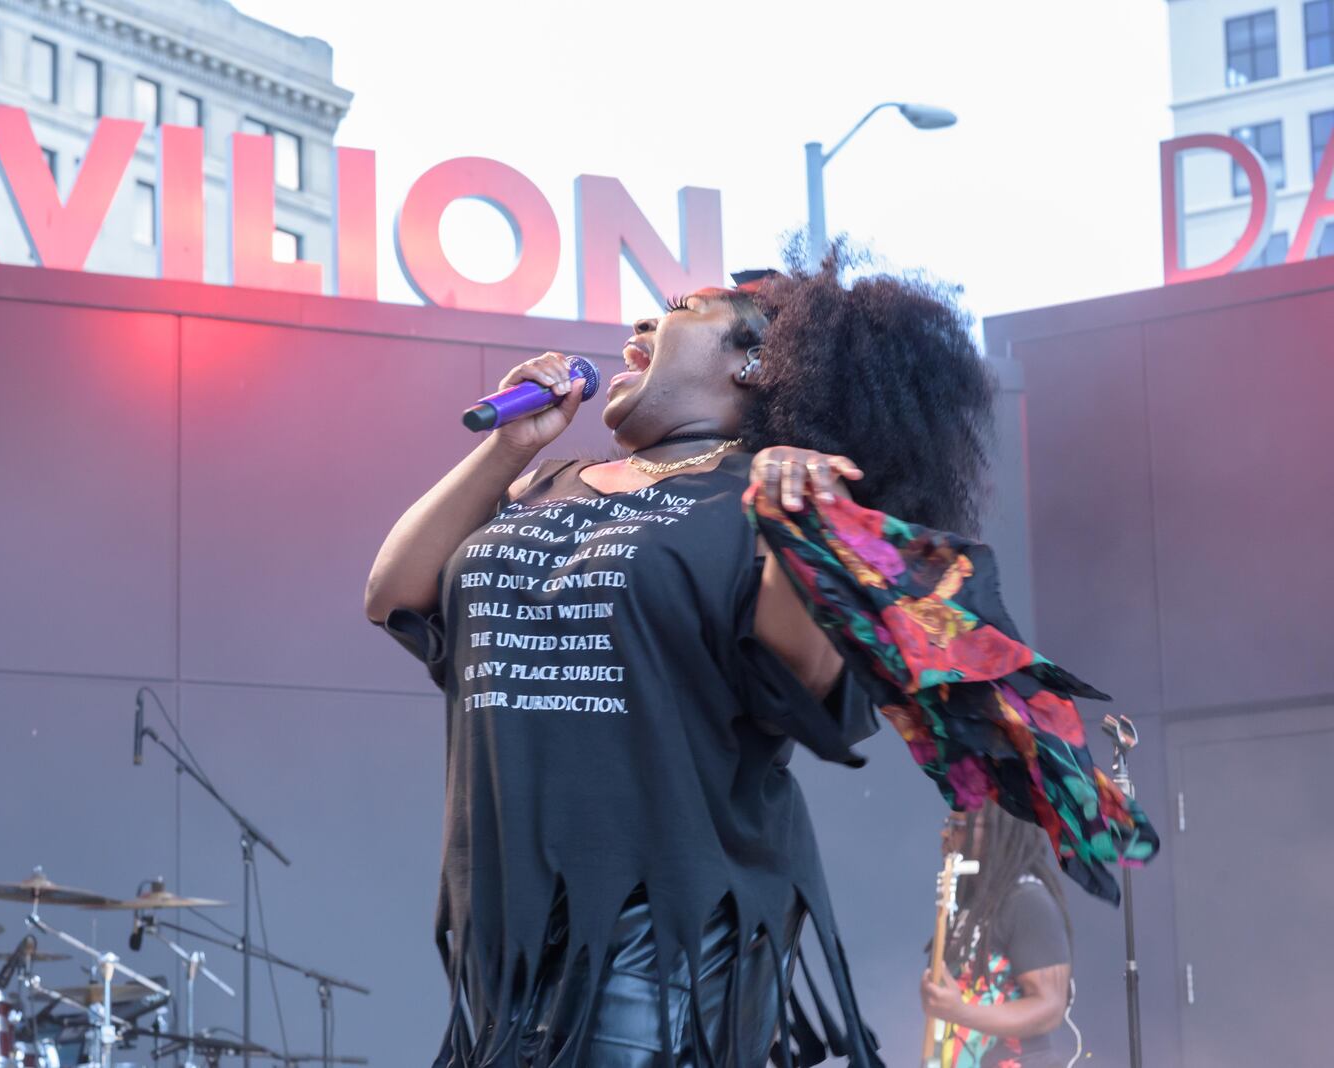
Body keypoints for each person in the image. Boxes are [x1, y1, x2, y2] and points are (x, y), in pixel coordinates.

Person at [366, 244, 998, 1067]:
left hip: (661, 931)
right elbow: (394, 594)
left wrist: (798, 523)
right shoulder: (544, 481)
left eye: (679, 310)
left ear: (756, 360)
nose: (640, 325)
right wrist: (508, 446)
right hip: (511, 924)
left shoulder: (759, 502)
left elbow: (804, 680)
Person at [920, 803, 1077, 1068]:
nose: (946, 834)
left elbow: (1050, 1008)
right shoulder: (973, 900)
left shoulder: (1027, 901)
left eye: (959, 827)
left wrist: (961, 1012)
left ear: (994, 833)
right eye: (949, 824)